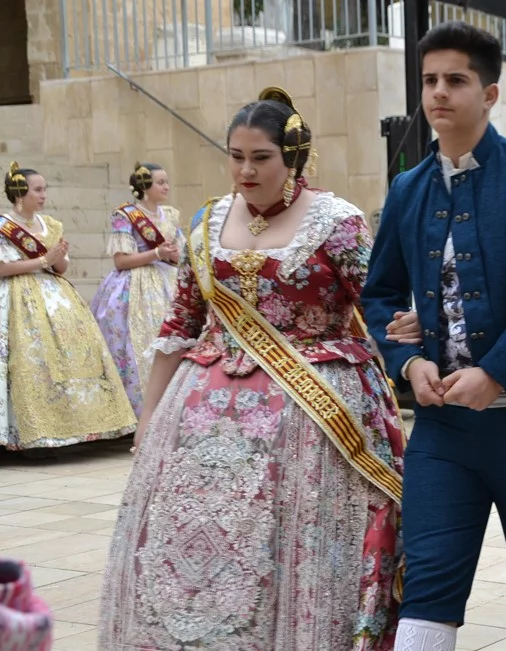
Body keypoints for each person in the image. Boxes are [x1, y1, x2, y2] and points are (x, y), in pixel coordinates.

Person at [99, 87, 404, 650]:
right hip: (199, 419)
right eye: (235, 155)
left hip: (312, 416)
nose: (244, 169)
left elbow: (380, 306)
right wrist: (148, 419)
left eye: (260, 157)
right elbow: (181, 323)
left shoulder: (337, 222)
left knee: (288, 543)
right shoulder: (207, 221)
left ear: (294, 156)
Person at [360, 21, 506, 651]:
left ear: (490, 92)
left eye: (455, 80)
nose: (439, 93)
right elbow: (379, 293)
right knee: (430, 586)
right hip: (443, 434)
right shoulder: (408, 188)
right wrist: (409, 363)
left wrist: (495, 371)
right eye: (429, 80)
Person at [0, 162, 136, 452]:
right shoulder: (3, 226)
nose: (43, 194)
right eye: (37, 189)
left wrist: (58, 256)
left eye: (44, 189)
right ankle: (31, 430)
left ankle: (77, 426)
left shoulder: (49, 225)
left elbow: (60, 268)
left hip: (55, 295)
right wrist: (43, 260)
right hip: (17, 297)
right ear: (19, 193)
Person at [91, 162, 184, 416]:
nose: (166, 186)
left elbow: (179, 257)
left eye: (166, 181)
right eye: (160, 182)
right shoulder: (125, 215)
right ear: (144, 187)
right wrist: (156, 252)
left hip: (168, 282)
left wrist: (174, 255)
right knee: (130, 345)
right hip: (133, 286)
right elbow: (121, 260)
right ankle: (132, 411)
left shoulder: (171, 215)